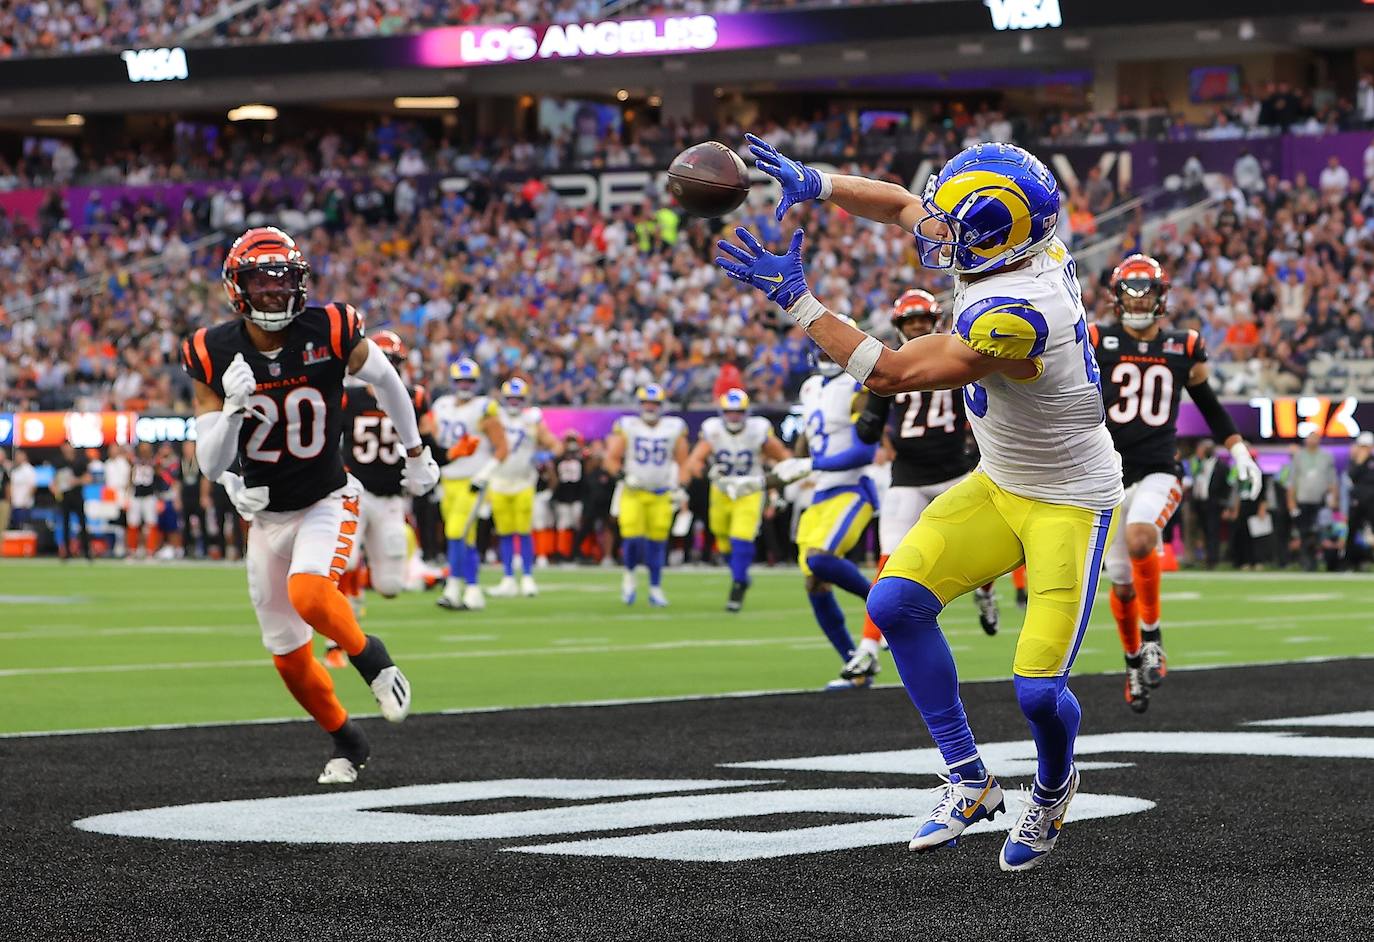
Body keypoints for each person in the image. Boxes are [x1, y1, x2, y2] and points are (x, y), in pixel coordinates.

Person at [719, 138, 1122, 871]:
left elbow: (894, 374)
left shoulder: (1018, 310)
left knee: (1036, 691)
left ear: (1002, 237)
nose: (938, 236)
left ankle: (1055, 788)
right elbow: (907, 206)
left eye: (957, 230)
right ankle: (968, 779)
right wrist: (819, 181)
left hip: (1068, 498)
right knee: (897, 604)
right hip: (1000, 482)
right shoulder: (1011, 247)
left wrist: (800, 302)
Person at [185, 225, 439, 784]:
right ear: (238, 287)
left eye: (284, 282)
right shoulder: (213, 349)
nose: (275, 293)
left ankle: (371, 656)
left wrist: (416, 452)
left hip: (327, 497)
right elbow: (208, 463)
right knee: (288, 658)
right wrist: (231, 411)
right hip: (264, 515)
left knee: (309, 591)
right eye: (262, 282)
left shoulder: (331, 326)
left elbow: (388, 382)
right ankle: (347, 740)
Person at [1092, 255, 1261, 712]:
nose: (1139, 299)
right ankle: (1133, 662)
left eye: (1147, 291)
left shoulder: (1184, 346)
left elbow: (1207, 403)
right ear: (1116, 296)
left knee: (1143, 536)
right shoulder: (1095, 340)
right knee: (1122, 584)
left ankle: (1153, 637)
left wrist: (1238, 447)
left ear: (1162, 296)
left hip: (1160, 467)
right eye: (1130, 291)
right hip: (1106, 475)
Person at [841, 289, 1001, 691]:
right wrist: (867, 416)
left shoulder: (956, 353)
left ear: (933, 321)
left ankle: (985, 591)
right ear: (899, 326)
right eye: (910, 322)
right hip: (908, 474)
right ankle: (867, 647)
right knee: (887, 560)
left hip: (955, 471)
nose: (916, 327)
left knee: (984, 545)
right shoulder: (893, 363)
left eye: (921, 321)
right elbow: (870, 424)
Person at [768, 317, 881, 689]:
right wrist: (788, 466)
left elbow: (864, 452)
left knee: (820, 558)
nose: (824, 349)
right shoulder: (811, 387)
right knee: (814, 583)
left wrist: (807, 464)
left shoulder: (858, 384)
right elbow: (809, 437)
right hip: (820, 493)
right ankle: (855, 666)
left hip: (852, 488)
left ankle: (889, 606)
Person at [328, 329, 429, 666]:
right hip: (354, 492)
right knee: (346, 562)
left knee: (389, 586)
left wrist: (443, 457)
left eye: (392, 360)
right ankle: (338, 635)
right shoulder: (348, 398)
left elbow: (431, 436)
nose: (386, 366)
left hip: (390, 498)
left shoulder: (413, 397)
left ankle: (358, 593)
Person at [685, 388, 791, 612]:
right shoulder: (712, 430)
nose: (734, 416)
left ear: (746, 412)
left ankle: (739, 583)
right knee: (722, 537)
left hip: (749, 488)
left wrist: (779, 488)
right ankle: (739, 573)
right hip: (721, 490)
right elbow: (694, 461)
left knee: (741, 535)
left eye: (738, 412)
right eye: (729, 412)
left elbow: (782, 455)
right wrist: (707, 472)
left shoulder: (758, 430)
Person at [426, 358, 509, 611]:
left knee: (456, 531)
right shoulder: (442, 406)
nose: (465, 385)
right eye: (461, 380)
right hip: (448, 479)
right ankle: (471, 590)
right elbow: (432, 438)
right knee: (465, 537)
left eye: (469, 381)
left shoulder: (484, 408)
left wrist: (485, 474)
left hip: (473, 481)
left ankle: (455, 587)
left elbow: (502, 448)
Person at [604, 384, 689, 607]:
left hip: (661, 492)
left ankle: (655, 587)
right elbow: (611, 458)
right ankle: (630, 576)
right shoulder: (628, 426)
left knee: (657, 543)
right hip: (634, 492)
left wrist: (682, 488)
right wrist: (623, 476)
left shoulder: (674, 428)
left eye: (654, 403)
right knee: (633, 539)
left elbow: (683, 462)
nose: (650, 407)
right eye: (646, 403)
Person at [488, 378, 562, 598]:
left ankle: (528, 577)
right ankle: (509, 577)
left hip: (523, 481)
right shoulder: (495, 417)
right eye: (510, 398)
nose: (513, 402)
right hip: (499, 481)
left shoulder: (532, 420)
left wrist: (546, 455)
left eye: (517, 398)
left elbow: (555, 444)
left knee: (524, 531)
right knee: (504, 532)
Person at [1287, 431, 1338, 571]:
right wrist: (1291, 501)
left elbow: (1332, 479)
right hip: (1303, 499)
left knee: (1321, 531)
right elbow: (1292, 480)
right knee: (1303, 532)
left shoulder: (1326, 456)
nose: (1312, 441)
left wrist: (1333, 498)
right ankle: (1306, 562)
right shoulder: (1298, 456)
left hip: (1320, 500)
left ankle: (1320, 560)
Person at [51, 442, 93, 561]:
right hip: (65, 497)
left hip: (77, 496)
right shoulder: (59, 462)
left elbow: (88, 478)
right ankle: (67, 552)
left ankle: (86, 552)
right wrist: (55, 489)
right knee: (65, 524)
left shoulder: (80, 461)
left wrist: (77, 481)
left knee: (82, 524)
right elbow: (54, 480)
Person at [551, 430, 586, 562]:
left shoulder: (581, 459)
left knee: (577, 525)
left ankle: (577, 551)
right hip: (563, 497)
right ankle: (562, 552)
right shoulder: (558, 459)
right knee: (563, 525)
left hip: (577, 496)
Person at [1344, 432, 1374, 570]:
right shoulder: (1354, 461)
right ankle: (1348, 563)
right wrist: (1359, 461)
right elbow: (1351, 477)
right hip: (1357, 501)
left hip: (1372, 501)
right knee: (1352, 531)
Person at [127, 442, 161, 560]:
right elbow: (131, 477)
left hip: (149, 495)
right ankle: (132, 550)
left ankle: (150, 551)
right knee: (132, 523)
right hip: (136, 495)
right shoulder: (134, 461)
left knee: (151, 523)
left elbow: (159, 474)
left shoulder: (155, 462)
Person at [9, 450, 36, 530]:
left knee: (24, 527)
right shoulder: (14, 470)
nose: (18, 458)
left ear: (24, 456)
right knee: (16, 527)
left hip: (24, 504)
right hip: (15, 504)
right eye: (17, 456)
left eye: (20, 456)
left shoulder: (29, 469)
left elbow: (33, 487)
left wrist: (26, 501)